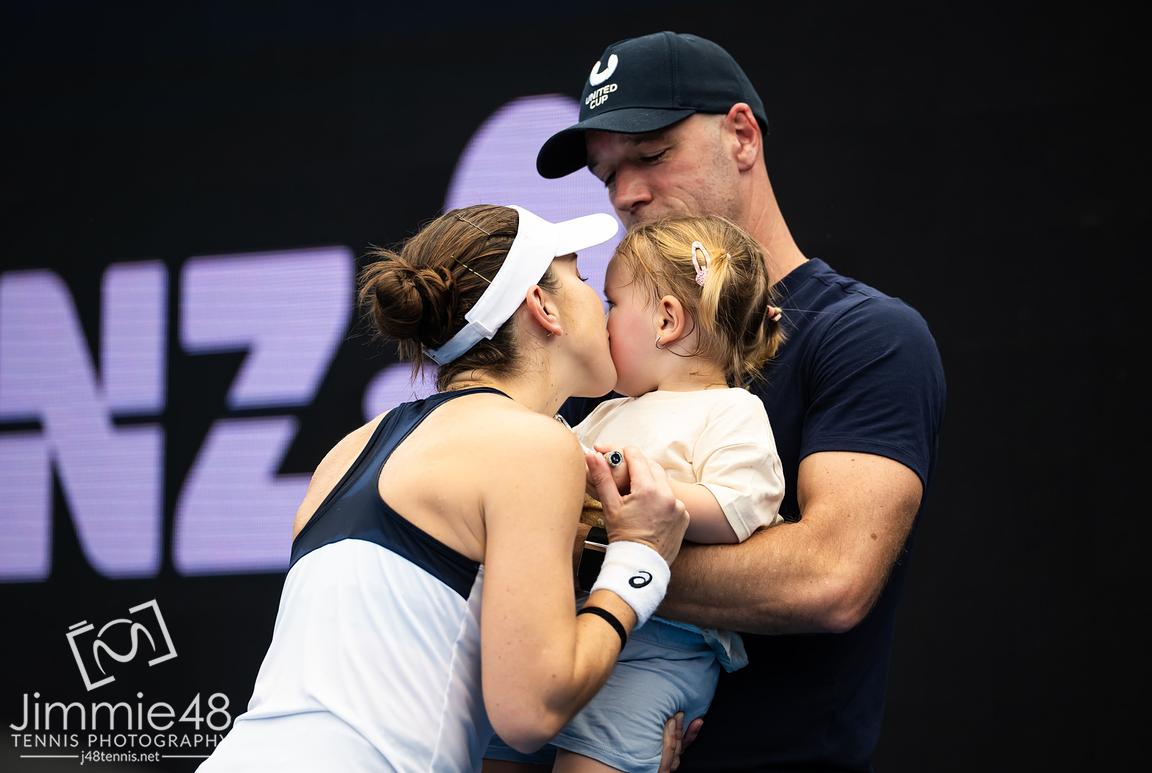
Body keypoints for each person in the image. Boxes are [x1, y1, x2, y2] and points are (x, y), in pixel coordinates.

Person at [500, 31, 948, 772]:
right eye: (607, 173)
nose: (625, 194)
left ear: (741, 135)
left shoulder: (867, 336)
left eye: (649, 155)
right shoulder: (614, 359)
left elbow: (829, 575)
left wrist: (574, 560)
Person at [196, 203, 690, 772]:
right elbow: (530, 711)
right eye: (579, 278)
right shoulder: (532, 446)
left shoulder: (345, 452)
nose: (598, 301)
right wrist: (640, 560)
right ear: (543, 306)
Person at [485, 214, 787, 773]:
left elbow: (740, 509)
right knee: (498, 749)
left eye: (612, 305)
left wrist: (649, 495)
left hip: (664, 645)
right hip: (570, 628)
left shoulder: (733, 410)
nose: (601, 321)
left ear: (667, 321)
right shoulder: (608, 412)